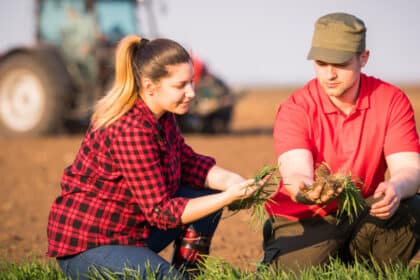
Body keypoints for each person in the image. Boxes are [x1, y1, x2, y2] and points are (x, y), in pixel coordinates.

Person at [47, 35, 268, 280]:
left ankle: (188, 274)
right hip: (90, 246)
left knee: (207, 196)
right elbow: (161, 212)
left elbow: (188, 162)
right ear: (151, 87)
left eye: (192, 82)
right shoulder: (130, 129)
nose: (191, 93)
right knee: (212, 202)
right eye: (180, 85)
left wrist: (231, 181)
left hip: (131, 231)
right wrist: (228, 197)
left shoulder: (162, 115)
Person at [263, 12, 420, 272]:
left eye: (341, 64)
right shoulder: (296, 108)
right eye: (322, 63)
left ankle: (372, 272)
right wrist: (307, 189)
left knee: (412, 206)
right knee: (297, 273)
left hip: (363, 212)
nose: (330, 74)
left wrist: (396, 187)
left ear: (363, 58)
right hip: (306, 218)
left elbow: (411, 169)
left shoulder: (391, 100)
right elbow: (294, 171)